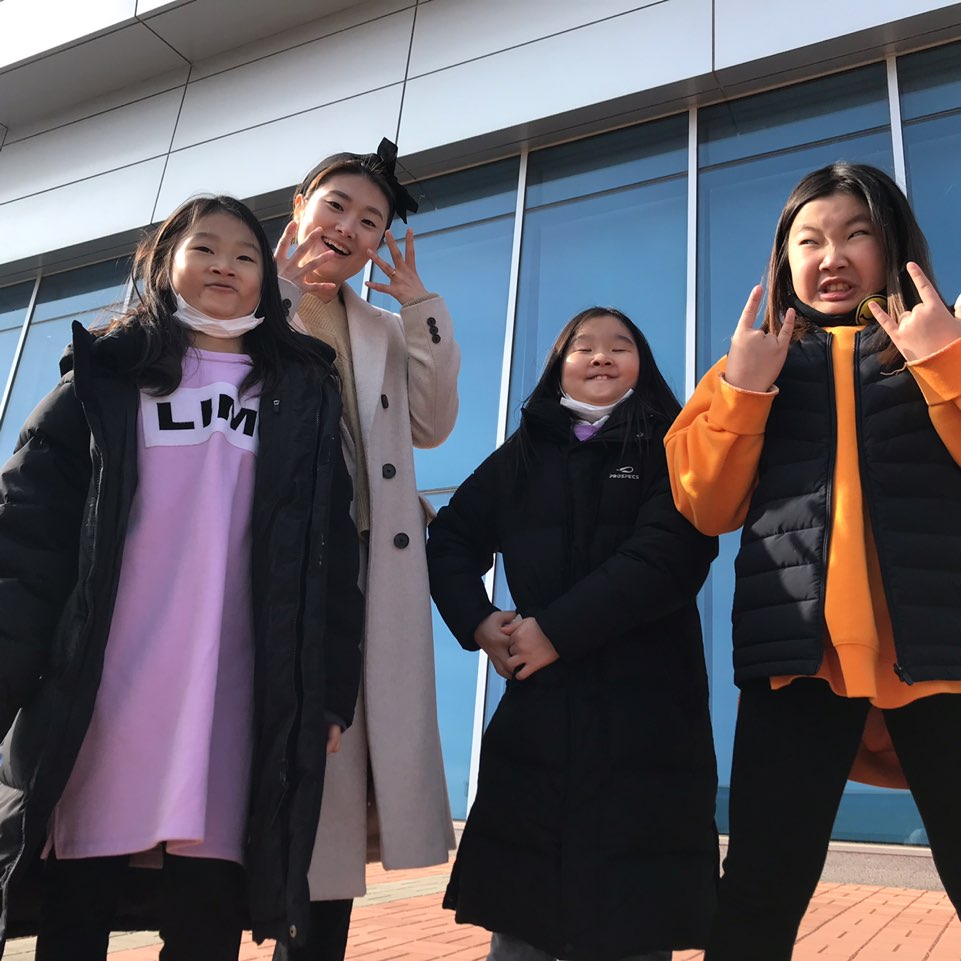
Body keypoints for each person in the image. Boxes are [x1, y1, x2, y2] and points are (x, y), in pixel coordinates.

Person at [0, 196, 363, 960]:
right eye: (205, 248)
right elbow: (27, 535)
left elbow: (328, 557)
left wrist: (330, 690)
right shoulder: (104, 378)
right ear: (164, 262)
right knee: (78, 896)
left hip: (238, 693)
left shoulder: (300, 395)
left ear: (266, 279)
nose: (225, 265)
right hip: (107, 685)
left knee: (209, 912)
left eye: (245, 255)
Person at [664, 162, 961, 961]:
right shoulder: (747, 366)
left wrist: (942, 360)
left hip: (941, 658)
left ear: (893, 245)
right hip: (796, 662)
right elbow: (703, 504)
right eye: (809, 240)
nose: (830, 257)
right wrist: (743, 389)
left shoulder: (942, 342)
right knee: (759, 889)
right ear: (783, 260)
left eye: (855, 234)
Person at [426, 307, 719, 961]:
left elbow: (668, 556)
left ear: (643, 367)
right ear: (558, 366)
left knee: (633, 918)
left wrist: (555, 631)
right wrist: (479, 620)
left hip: (648, 710)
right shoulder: (522, 454)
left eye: (620, 345)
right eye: (582, 346)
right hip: (540, 712)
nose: (601, 355)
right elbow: (449, 540)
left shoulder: (674, 447)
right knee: (524, 915)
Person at [271, 138, 459, 961]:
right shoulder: (244, 301)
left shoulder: (382, 326)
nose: (349, 228)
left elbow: (431, 424)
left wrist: (421, 309)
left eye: (371, 221)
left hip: (359, 575)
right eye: (336, 206)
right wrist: (276, 292)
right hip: (269, 570)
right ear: (300, 211)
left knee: (338, 785)